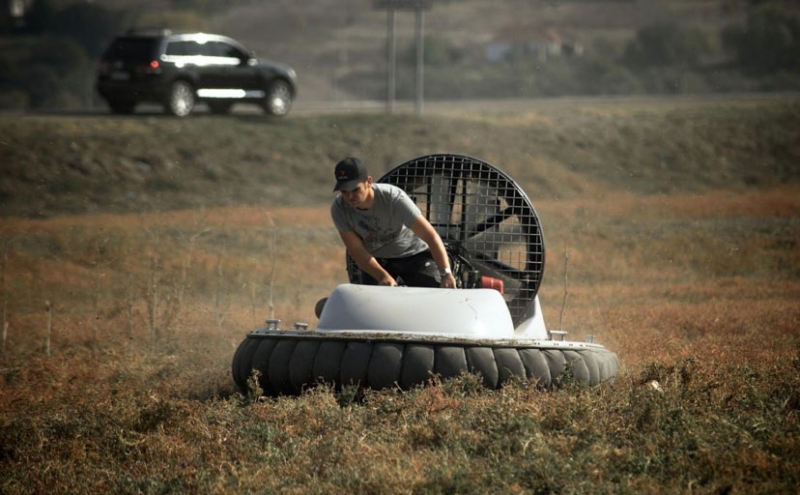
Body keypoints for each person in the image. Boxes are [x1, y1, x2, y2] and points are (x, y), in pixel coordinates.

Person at [331, 156, 457, 289]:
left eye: (355, 190)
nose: (350, 197)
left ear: (368, 181)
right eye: (344, 191)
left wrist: (445, 273)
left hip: (414, 255)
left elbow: (430, 236)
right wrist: (382, 276)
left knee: (432, 290)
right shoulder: (340, 209)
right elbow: (357, 251)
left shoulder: (393, 198)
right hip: (378, 261)